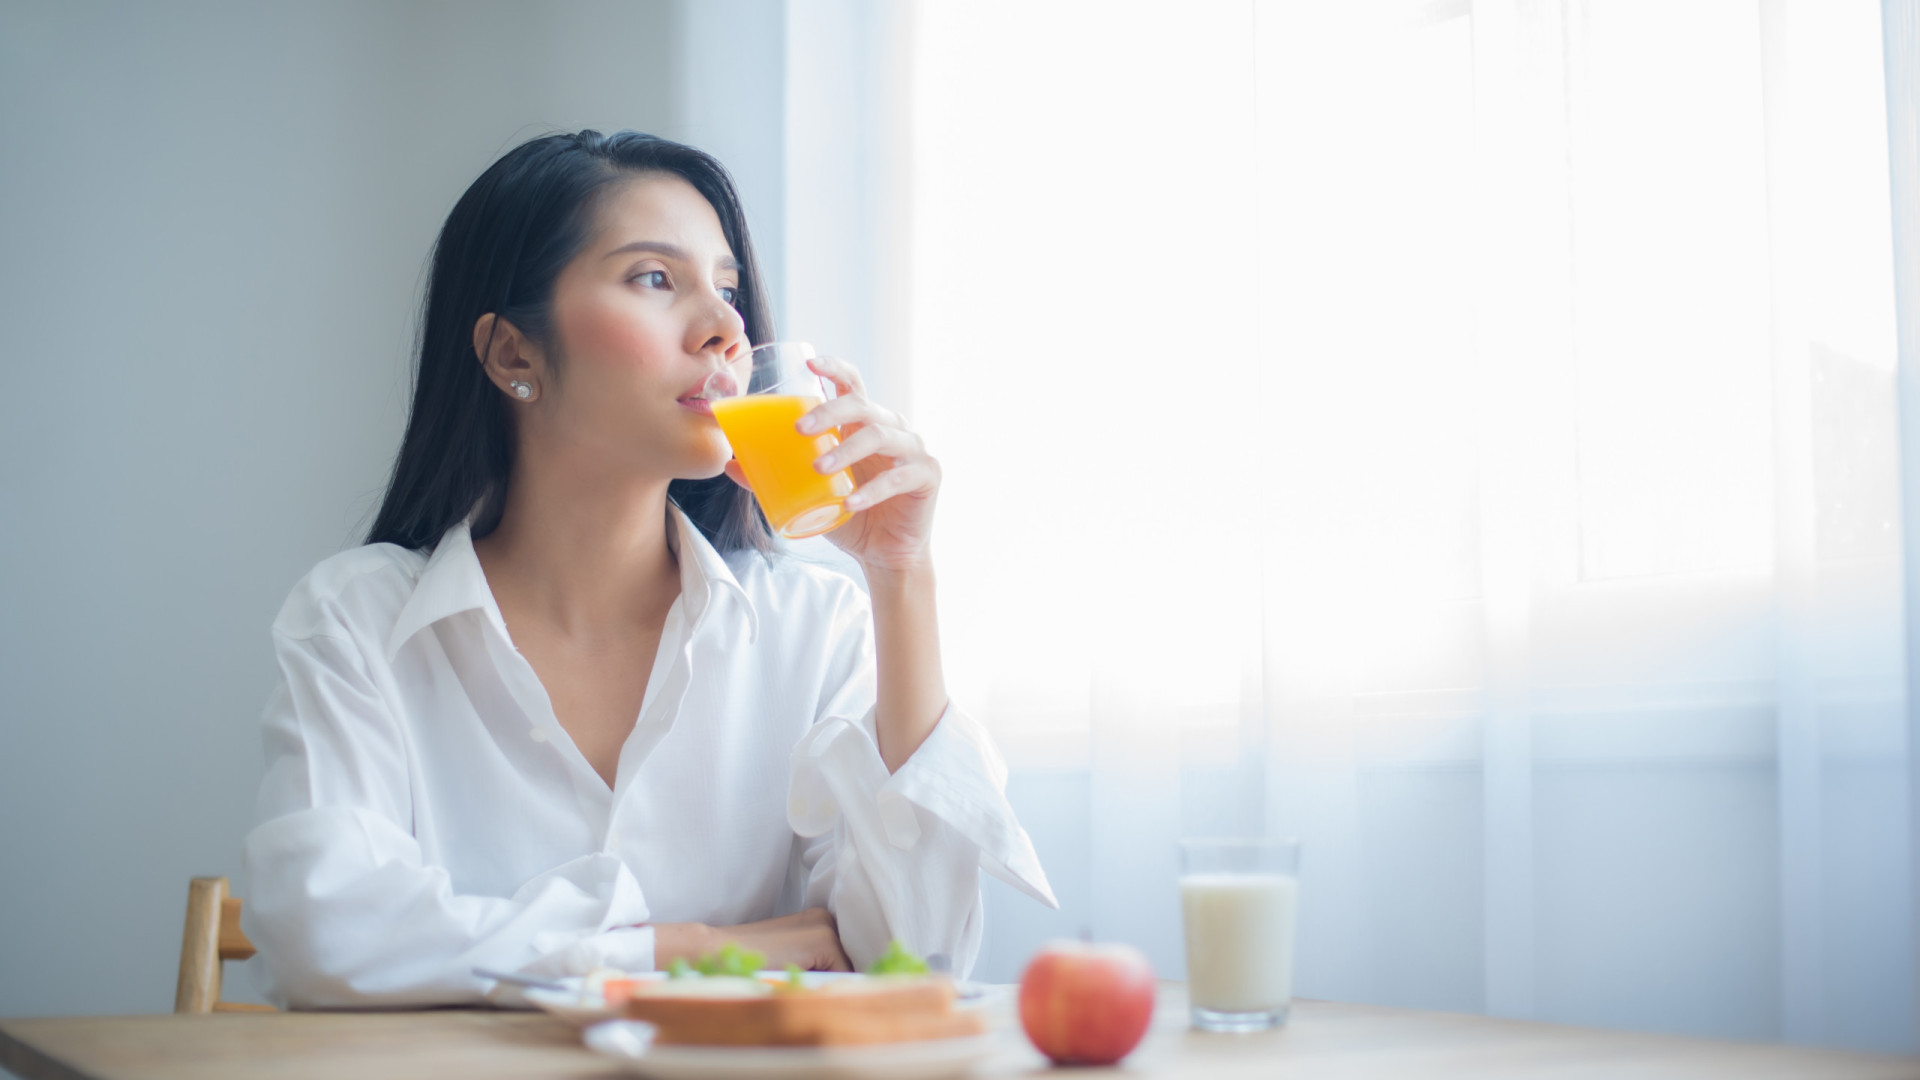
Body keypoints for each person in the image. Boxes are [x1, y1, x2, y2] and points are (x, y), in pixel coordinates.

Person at [239, 130, 1055, 1008]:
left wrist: (902, 577)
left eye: (729, 288)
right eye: (655, 279)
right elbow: (325, 931)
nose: (726, 328)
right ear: (514, 354)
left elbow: (913, 963)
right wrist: (683, 949)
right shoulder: (357, 621)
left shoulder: (813, 629)